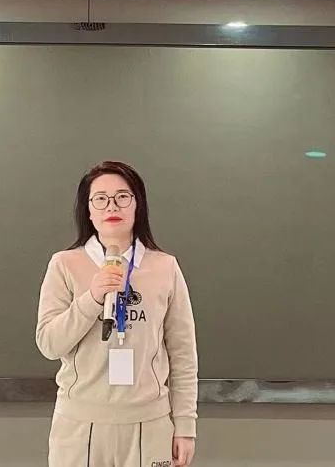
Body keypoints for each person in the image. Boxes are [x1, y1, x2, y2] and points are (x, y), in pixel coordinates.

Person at [35, 160, 198, 467]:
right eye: (100, 198)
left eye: (123, 196)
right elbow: (49, 344)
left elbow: (183, 354)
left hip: (150, 424)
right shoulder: (64, 264)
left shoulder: (165, 267)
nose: (112, 205)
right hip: (79, 425)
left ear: (138, 205)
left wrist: (185, 426)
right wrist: (93, 297)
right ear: (88, 210)